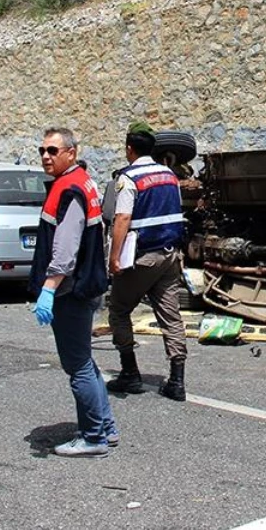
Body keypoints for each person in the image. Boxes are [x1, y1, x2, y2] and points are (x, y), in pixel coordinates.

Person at [27, 128, 117, 457]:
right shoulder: (83, 182)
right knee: (85, 362)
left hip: (71, 291)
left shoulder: (68, 189)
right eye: (43, 150)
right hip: (86, 285)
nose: (46, 156)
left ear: (71, 153)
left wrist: (48, 289)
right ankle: (104, 426)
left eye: (53, 150)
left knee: (77, 366)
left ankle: (94, 436)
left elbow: (65, 251)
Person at [105, 123, 189, 401]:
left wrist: (114, 258)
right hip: (170, 255)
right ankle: (177, 381)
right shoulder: (169, 175)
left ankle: (130, 373)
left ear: (130, 148)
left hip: (142, 256)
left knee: (118, 309)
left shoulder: (128, 178)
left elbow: (122, 219)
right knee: (171, 316)